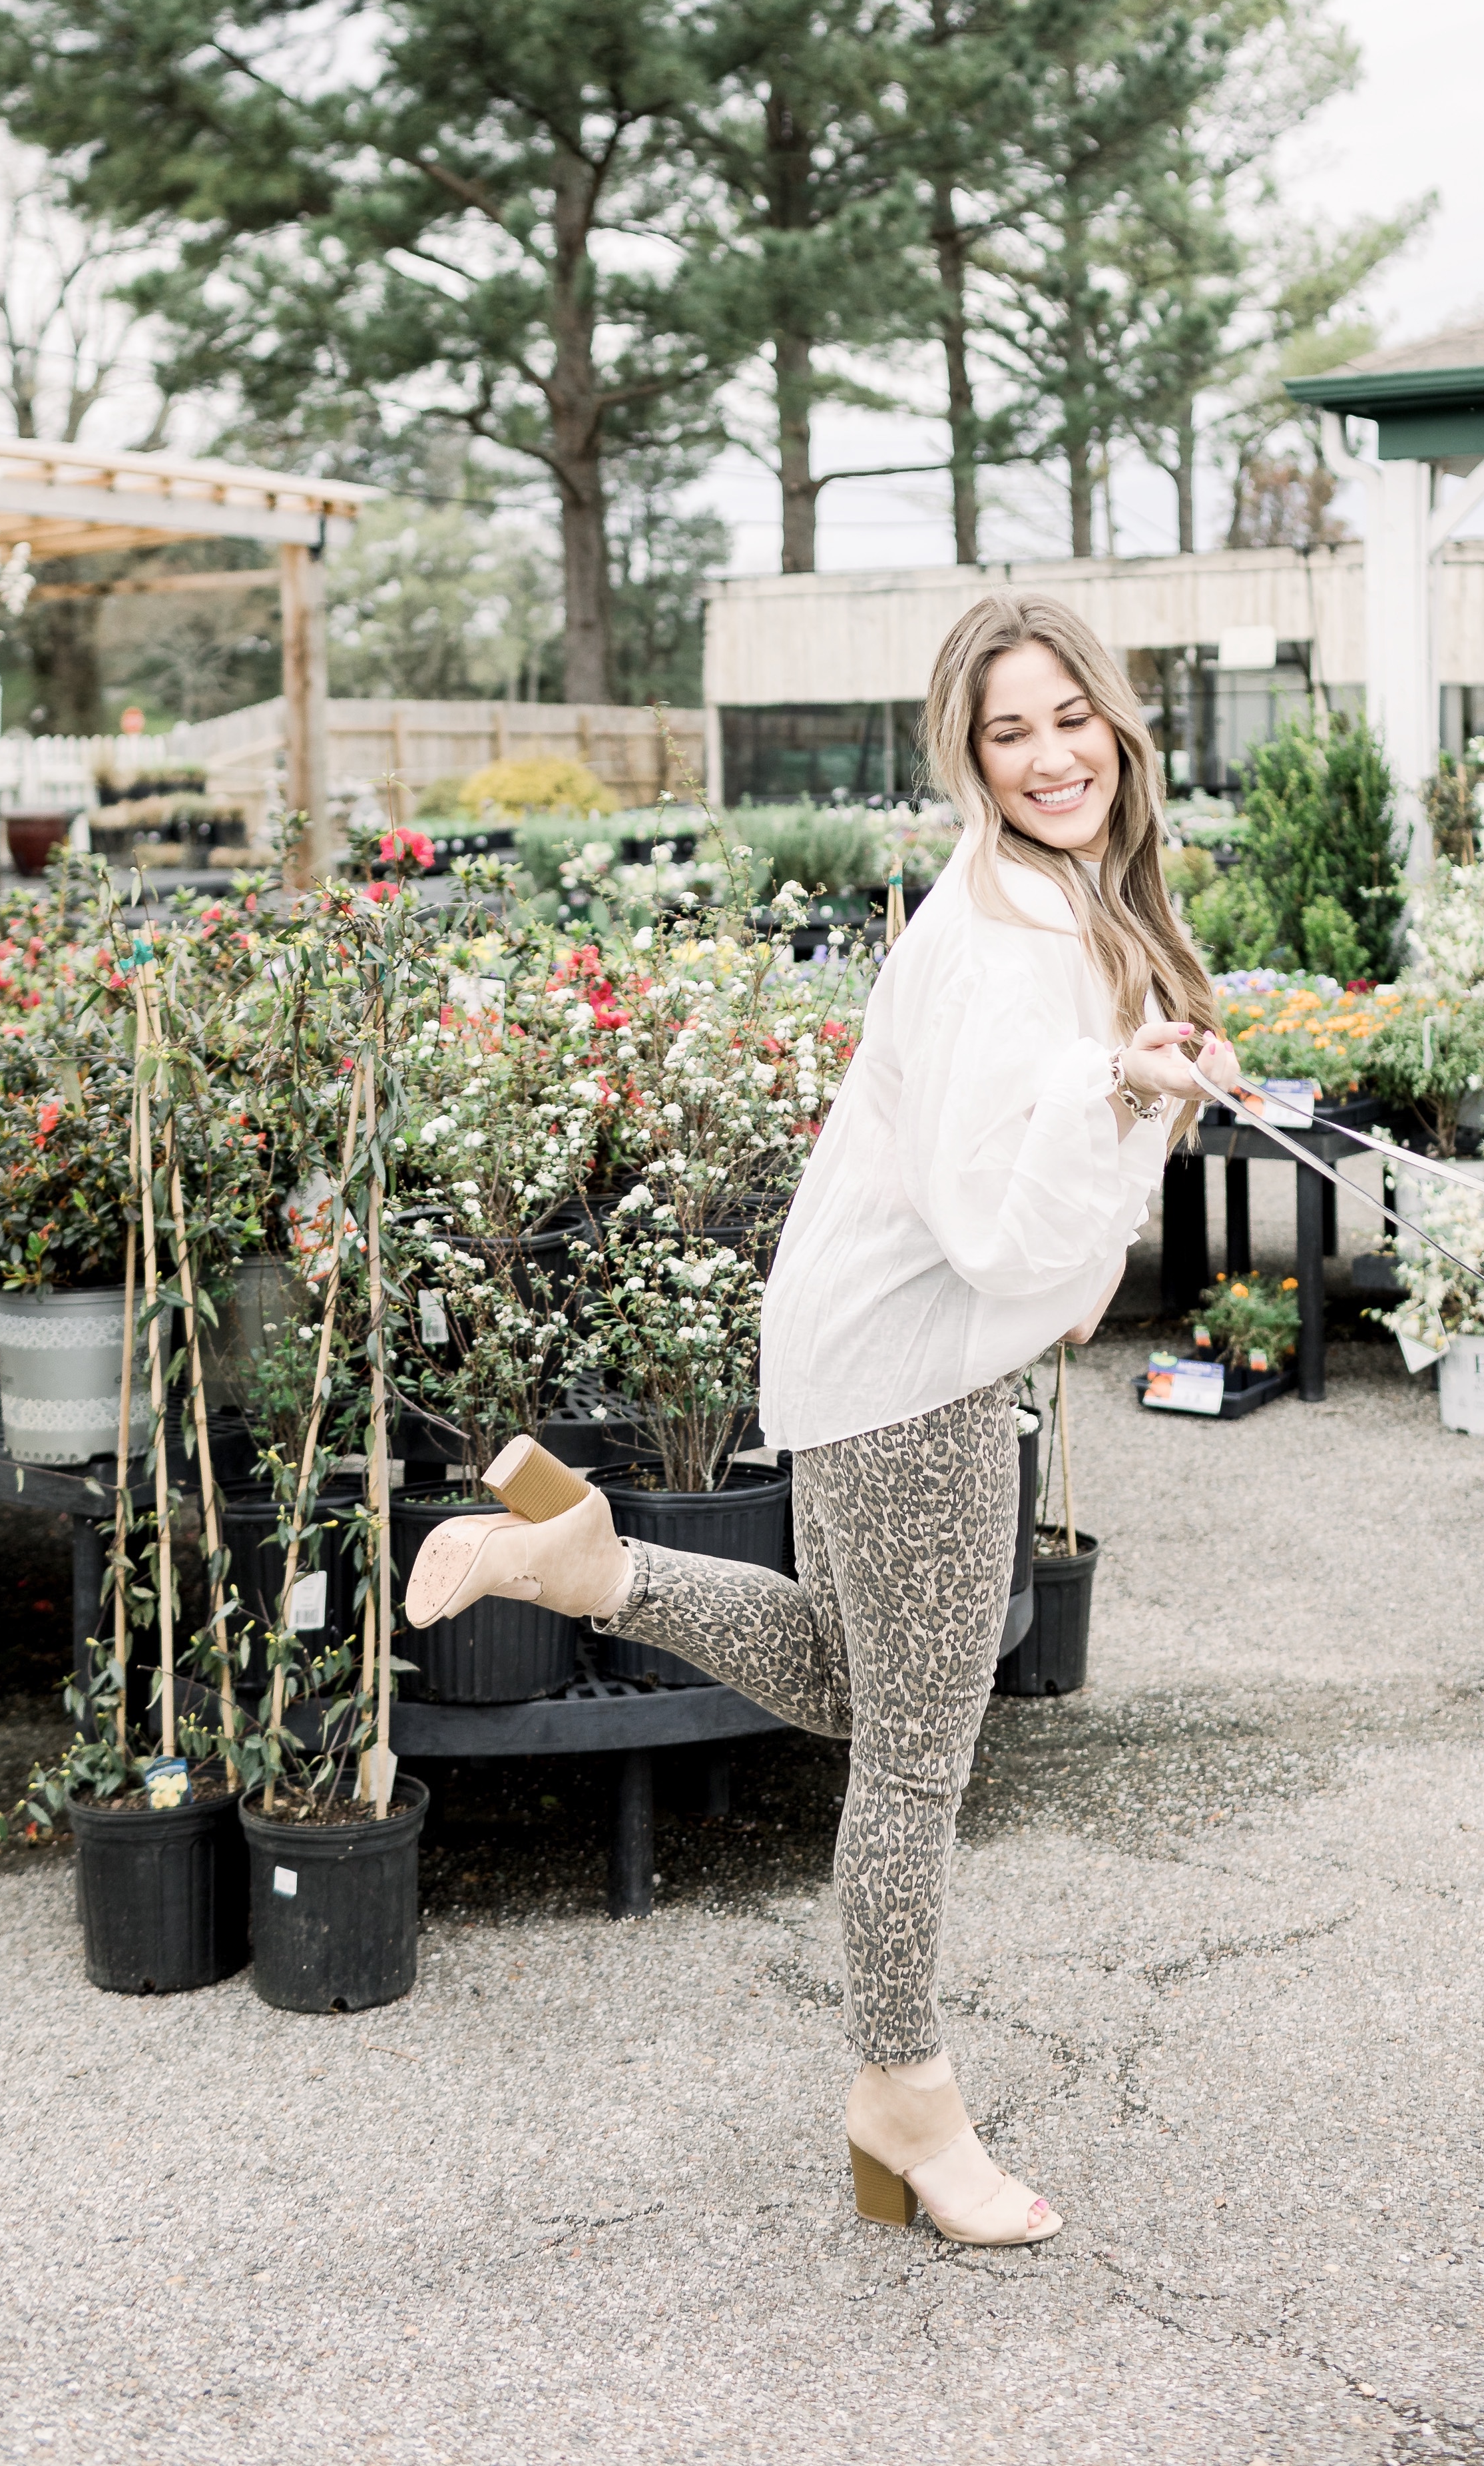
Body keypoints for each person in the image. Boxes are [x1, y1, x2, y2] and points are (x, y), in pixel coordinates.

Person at [404, 592, 1242, 2245]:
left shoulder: (1061, 892)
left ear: (1117, 723)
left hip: (889, 1346)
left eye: (1068, 717)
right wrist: (1122, 1097)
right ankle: (903, 2096)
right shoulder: (992, 937)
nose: (1051, 754)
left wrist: (1124, 1112)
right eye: (1009, 731)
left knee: (877, 1699)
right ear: (969, 754)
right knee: (915, 1762)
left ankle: (595, 1567)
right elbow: (997, 1215)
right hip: (907, 1365)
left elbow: (1041, 1199)